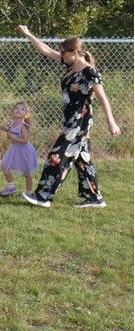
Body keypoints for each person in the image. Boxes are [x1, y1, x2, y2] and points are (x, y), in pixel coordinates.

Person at [17, 27, 122, 208]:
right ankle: (94, 197)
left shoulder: (90, 72)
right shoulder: (70, 65)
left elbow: (103, 98)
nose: (61, 54)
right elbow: (46, 51)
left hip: (80, 121)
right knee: (83, 159)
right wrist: (28, 35)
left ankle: (43, 196)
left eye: (64, 52)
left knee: (57, 156)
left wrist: (111, 122)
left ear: (74, 52)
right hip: (71, 120)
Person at [0, 102, 38, 197]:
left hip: (24, 150)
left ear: (26, 114)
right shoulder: (13, 124)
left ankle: (28, 193)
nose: (18, 110)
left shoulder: (24, 126)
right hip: (15, 149)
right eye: (16, 108)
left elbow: (25, 140)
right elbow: (11, 134)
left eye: (22, 109)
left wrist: (12, 137)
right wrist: (6, 131)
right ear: (13, 111)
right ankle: (11, 186)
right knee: (5, 165)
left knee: (27, 173)